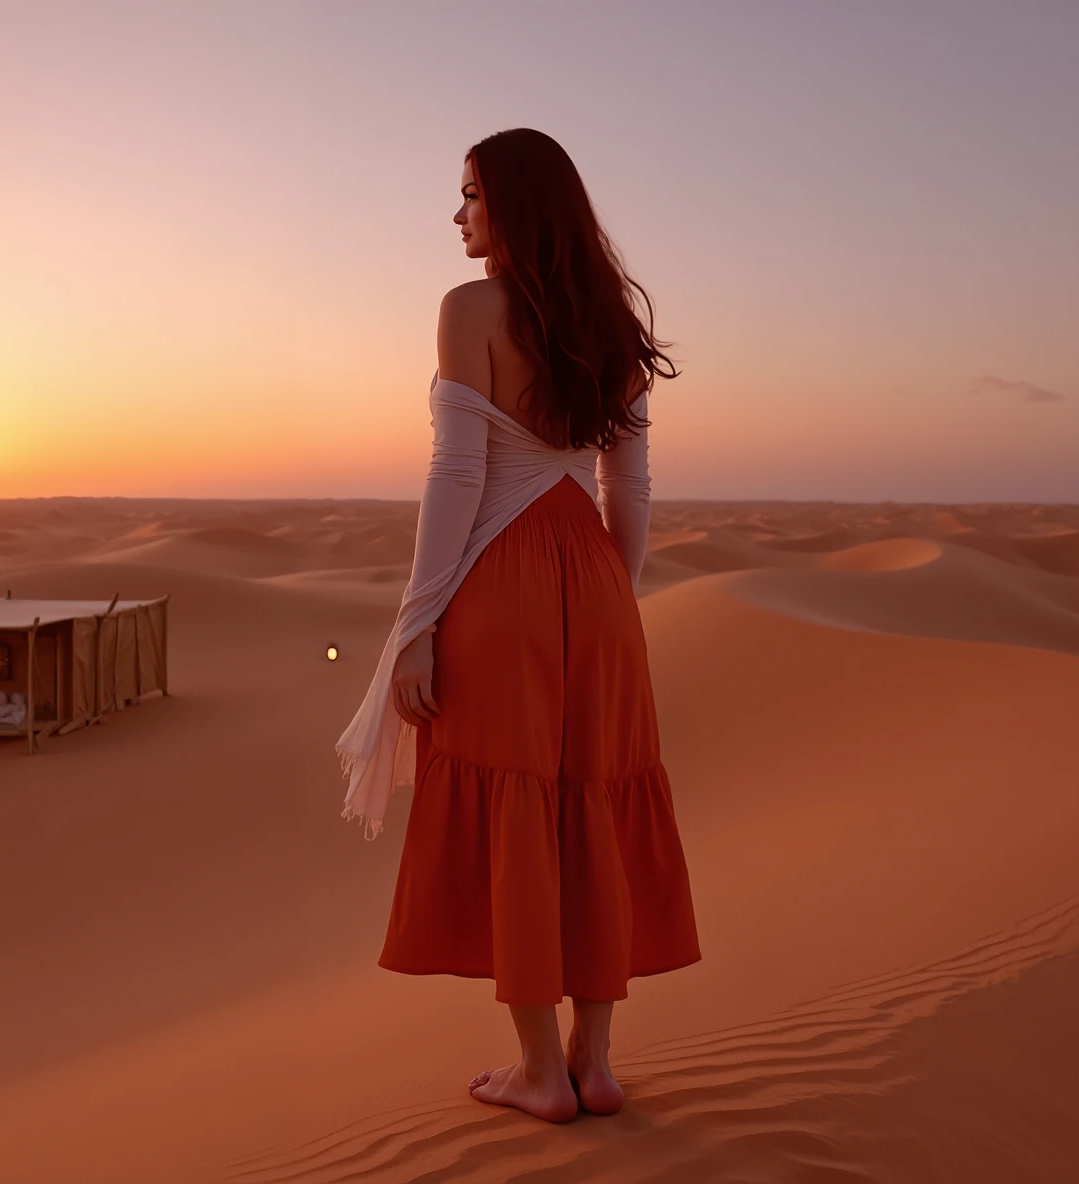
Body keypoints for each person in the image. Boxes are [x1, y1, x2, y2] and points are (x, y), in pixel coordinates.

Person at [334, 127, 701, 1124]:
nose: (457, 215)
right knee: (593, 800)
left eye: (470, 195)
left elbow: (456, 474)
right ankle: (595, 1062)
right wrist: (609, 599)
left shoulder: (468, 310)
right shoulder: (611, 322)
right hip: (597, 585)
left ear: (514, 206)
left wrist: (416, 624)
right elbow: (628, 487)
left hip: (499, 586)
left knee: (518, 806)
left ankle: (540, 1069)